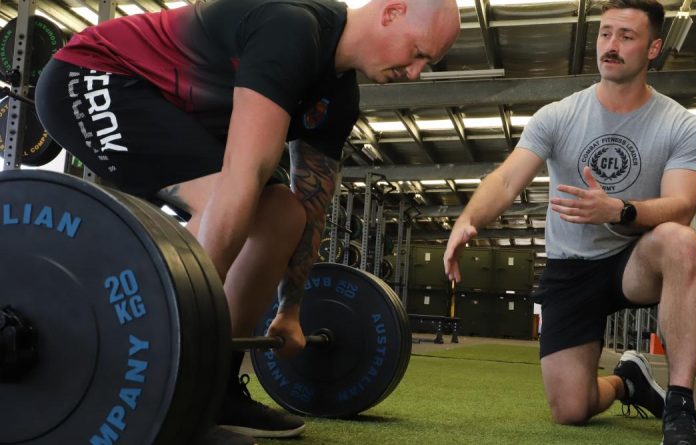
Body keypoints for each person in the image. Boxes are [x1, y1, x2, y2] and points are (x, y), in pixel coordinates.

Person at [35, 0, 461, 443]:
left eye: (426, 65)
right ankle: (155, 379)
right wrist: (179, 324)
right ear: (391, 12)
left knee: (282, 214)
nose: (414, 73)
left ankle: (214, 389)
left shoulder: (339, 98)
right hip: (94, 77)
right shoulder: (293, 28)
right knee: (230, 192)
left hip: (172, 112)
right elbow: (243, 175)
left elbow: (311, 208)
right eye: (417, 53)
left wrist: (291, 310)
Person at [443, 1, 696, 444]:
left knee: (682, 241)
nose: (611, 45)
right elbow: (508, 178)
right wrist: (467, 220)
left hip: (633, 260)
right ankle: (629, 381)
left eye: (627, 36)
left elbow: (682, 204)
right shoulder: (559, 115)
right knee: (571, 410)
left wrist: (619, 210)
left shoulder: (679, 124)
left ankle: (680, 406)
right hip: (570, 267)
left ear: (653, 48)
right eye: (605, 34)